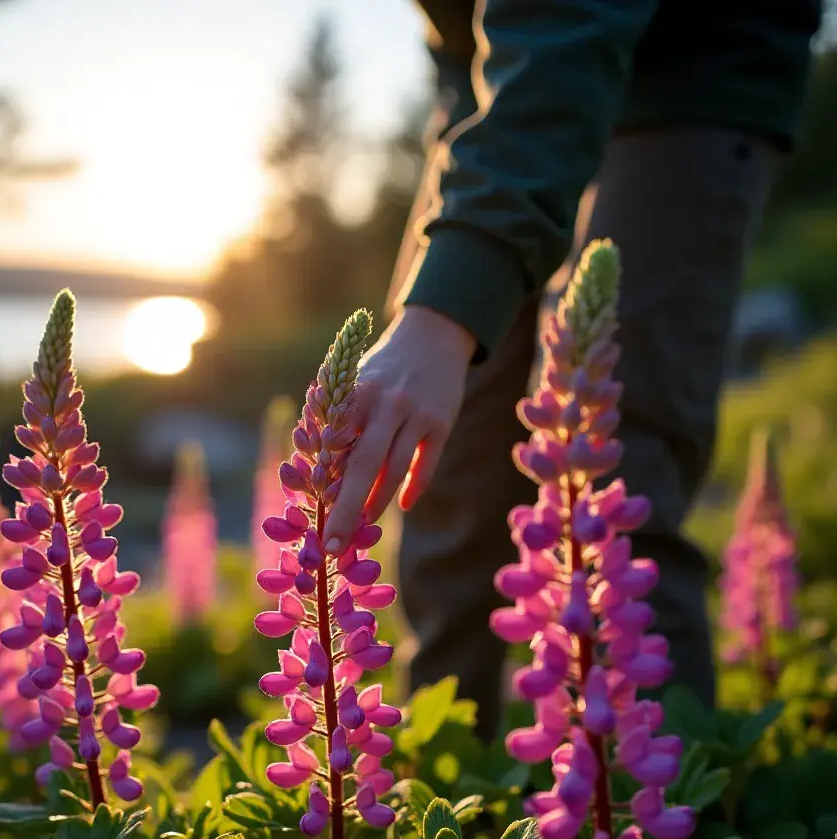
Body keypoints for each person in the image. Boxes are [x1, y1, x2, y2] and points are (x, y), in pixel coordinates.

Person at [320, 0, 822, 740]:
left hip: (693, 70)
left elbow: (568, 18)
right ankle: (447, 789)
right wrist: (463, 109)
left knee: (619, 480)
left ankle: (666, 816)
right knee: (442, 472)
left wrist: (448, 308)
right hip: (500, 82)